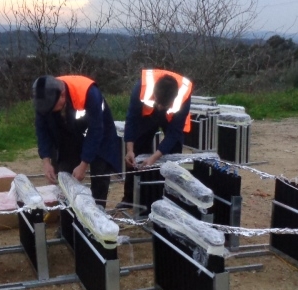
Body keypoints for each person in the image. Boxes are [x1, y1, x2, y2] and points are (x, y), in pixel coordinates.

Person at [32, 74, 121, 207]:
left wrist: (84, 164)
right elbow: (42, 131)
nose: (50, 111)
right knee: (64, 175)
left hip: (100, 132)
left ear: (62, 95)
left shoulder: (90, 93)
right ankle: (68, 221)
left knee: (100, 173)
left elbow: (96, 130)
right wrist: (46, 161)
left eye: (53, 108)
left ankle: (96, 217)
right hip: (69, 133)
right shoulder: (45, 99)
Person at [119, 69, 193, 206]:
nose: (160, 107)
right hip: (148, 115)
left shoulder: (184, 94)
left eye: (164, 105)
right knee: (137, 149)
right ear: (155, 94)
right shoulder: (141, 88)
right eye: (159, 103)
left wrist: (154, 157)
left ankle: (170, 198)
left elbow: (174, 132)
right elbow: (132, 119)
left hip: (172, 119)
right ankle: (130, 198)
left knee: (173, 152)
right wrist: (130, 149)